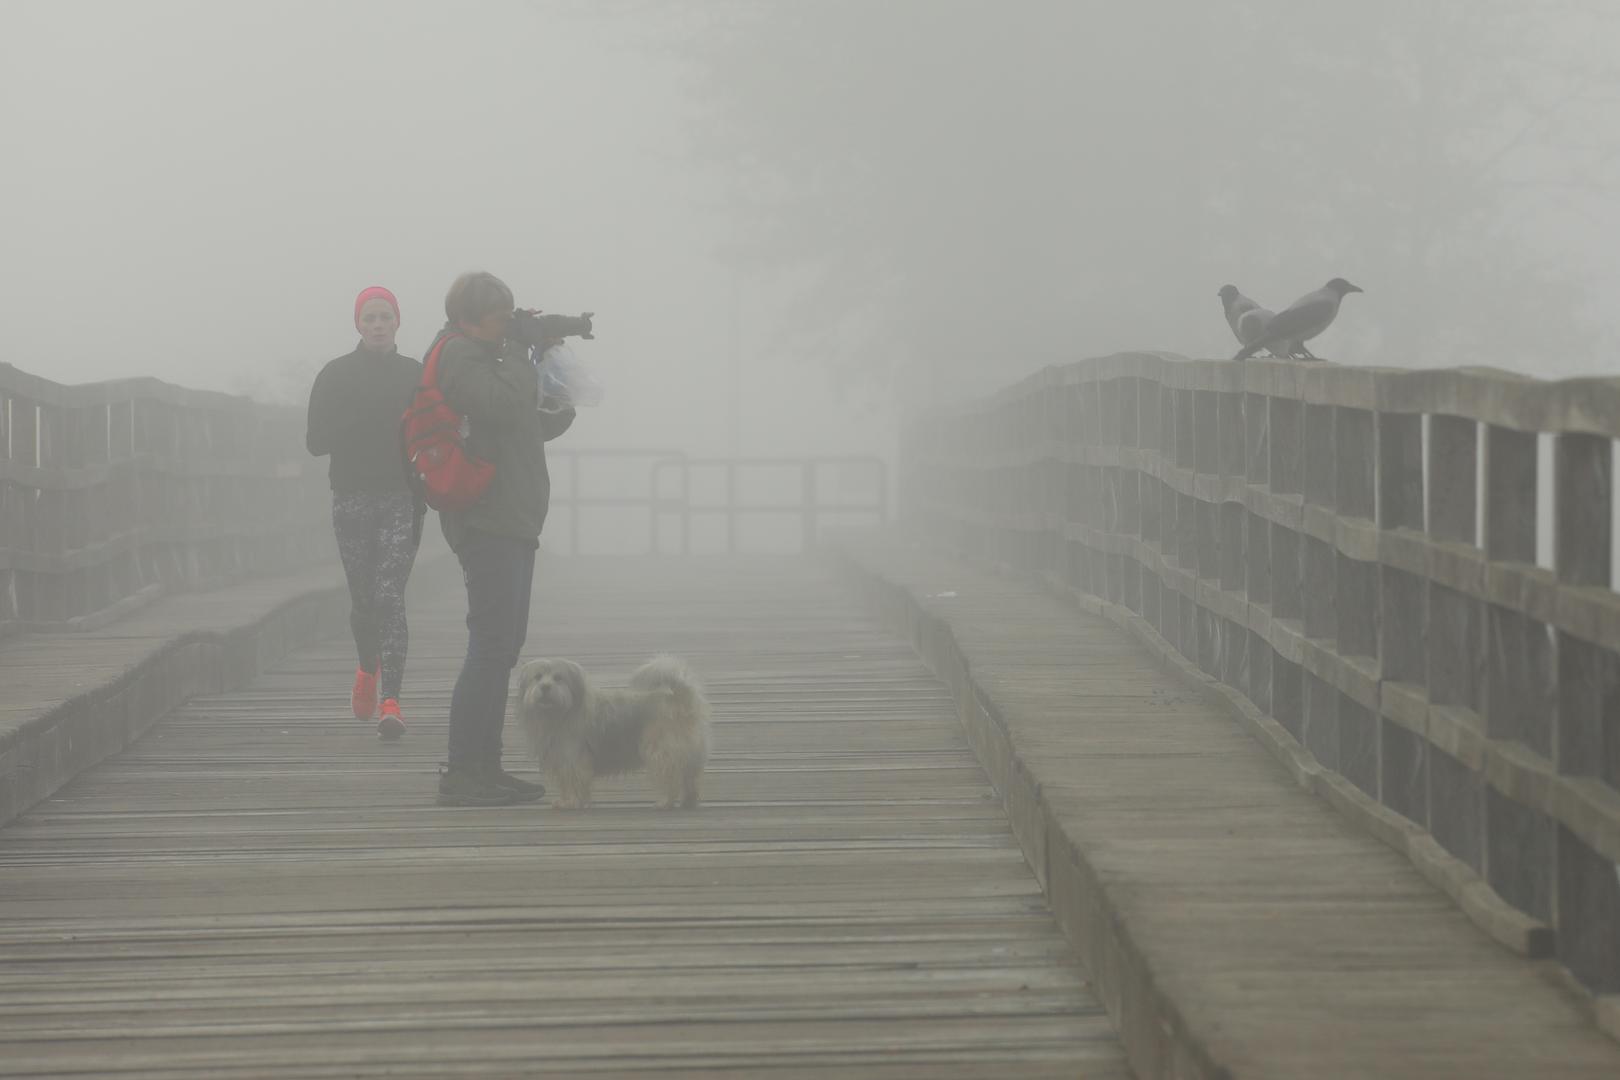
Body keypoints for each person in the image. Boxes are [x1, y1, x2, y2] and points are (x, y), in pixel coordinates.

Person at [431, 272, 576, 806]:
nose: (508, 324)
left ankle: (485, 767)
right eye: (501, 315)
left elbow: (521, 423)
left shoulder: (485, 355)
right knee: (490, 646)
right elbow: (504, 407)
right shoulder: (458, 356)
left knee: (502, 647)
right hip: (487, 519)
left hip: (511, 515)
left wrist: (558, 394)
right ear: (470, 317)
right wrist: (520, 348)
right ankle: (464, 771)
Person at [305, 286, 425, 740]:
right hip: (352, 496)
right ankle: (365, 666)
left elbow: (438, 428)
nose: (377, 324)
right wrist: (362, 416)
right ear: (358, 324)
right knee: (363, 600)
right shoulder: (336, 375)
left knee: (389, 597)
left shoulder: (416, 374)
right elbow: (315, 442)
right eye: (369, 317)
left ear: (397, 322)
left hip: (403, 498)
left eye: (385, 316)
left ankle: (391, 701)